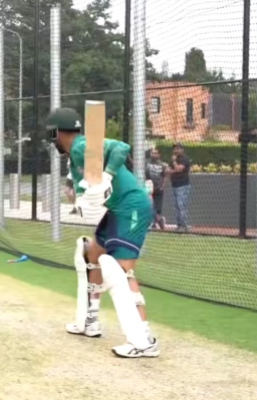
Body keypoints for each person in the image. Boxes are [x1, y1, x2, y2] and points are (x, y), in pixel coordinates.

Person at [46, 107, 159, 358]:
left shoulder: (79, 146)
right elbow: (86, 187)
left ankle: (144, 339)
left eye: (52, 135)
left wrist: (107, 176)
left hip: (131, 207)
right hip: (118, 208)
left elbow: (122, 147)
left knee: (120, 270)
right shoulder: (76, 154)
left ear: (57, 133)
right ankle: (90, 320)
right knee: (90, 253)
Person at [168, 142, 191, 232]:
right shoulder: (174, 159)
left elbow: (178, 169)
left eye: (178, 148)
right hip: (174, 185)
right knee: (176, 206)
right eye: (175, 149)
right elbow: (168, 170)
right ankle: (179, 225)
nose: (176, 150)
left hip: (183, 186)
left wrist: (174, 162)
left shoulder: (184, 158)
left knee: (181, 205)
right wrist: (172, 168)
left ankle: (183, 226)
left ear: (182, 149)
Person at [145, 148, 168, 230]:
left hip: (158, 189)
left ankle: (161, 224)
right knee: (149, 207)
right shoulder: (146, 162)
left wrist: (163, 185)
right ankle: (153, 223)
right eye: (152, 153)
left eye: (155, 153)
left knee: (157, 209)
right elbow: (136, 164)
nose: (153, 155)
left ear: (159, 155)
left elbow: (166, 175)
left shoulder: (162, 165)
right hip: (148, 189)